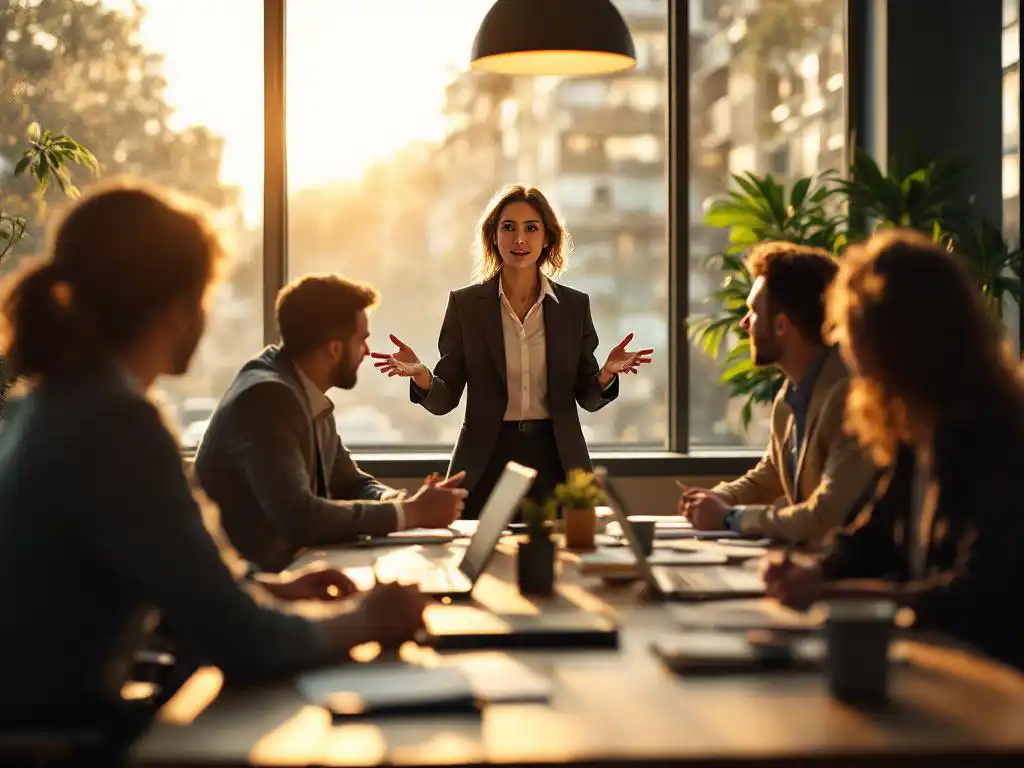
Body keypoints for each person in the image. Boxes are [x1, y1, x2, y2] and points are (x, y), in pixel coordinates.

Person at [0, 181, 427, 743]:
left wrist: (273, 588)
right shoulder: (116, 422)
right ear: (177, 308)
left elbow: (176, 569)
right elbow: (240, 639)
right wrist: (367, 620)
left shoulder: (49, 403)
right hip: (63, 741)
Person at [763, 229, 1024, 671]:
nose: (844, 344)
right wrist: (817, 573)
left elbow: (981, 597)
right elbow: (872, 538)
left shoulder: (993, 436)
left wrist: (837, 594)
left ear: (898, 337)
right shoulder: (914, 430)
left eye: (852, 327)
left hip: (995, 690)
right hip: (939, 669)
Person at [371, 184, 654, 518]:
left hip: (556, 456)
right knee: (478, 554)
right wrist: (420, 374)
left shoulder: (574, 306)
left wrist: (606, 374)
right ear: (493, 236)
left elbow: (588, 399)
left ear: (547, 238)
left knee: (561, 559)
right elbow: (444, 400)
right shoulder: (466, 306)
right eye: (509, 227)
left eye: (531, 228)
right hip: (487, 456)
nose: (520, 239)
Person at [194, 274, 468, 572]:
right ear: (334, 350)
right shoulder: (268, 398)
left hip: (290, 573)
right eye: (362, 340)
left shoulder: (300, 385)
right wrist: (410, 513)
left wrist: (400, 500)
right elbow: (301, 517)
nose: (366, 351)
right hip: (252, 590)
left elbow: (351, 481)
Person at [679, 242, 880, 543]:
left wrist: (728, 516)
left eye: (753, 311)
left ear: (782, 325)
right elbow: (769, 476)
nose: (744, 323)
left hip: (847, 581)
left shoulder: (849, 398)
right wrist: (713, 499)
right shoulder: (790, 397)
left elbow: (826, 517)